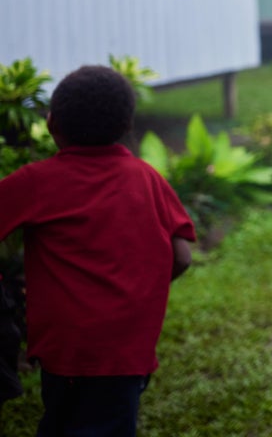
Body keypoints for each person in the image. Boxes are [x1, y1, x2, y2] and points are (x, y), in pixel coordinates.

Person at [0, 65, 195, 436]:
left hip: (68, 351)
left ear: (53, 123)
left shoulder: (36, 182)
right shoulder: (146, 177)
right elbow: (182, 256)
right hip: (130, 351)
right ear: (127, 125)